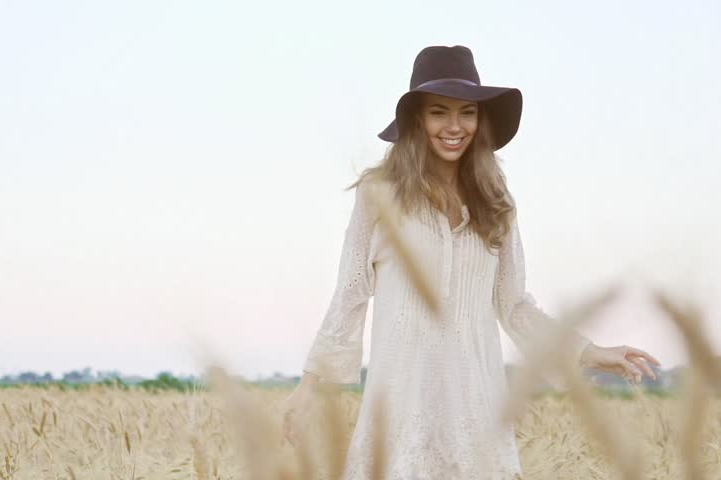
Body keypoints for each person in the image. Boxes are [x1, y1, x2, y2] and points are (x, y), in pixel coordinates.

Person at [280, 45, 661, 479]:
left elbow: (515, 306)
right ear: (417, 120)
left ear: (481, 121)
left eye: (468, 113)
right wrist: (307, 387)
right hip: (399, 418)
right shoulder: (379, 195)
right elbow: (350, 294)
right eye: (439, 112)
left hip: (477, 419)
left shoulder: (498, 205)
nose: (454, 127)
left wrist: (590, 352)